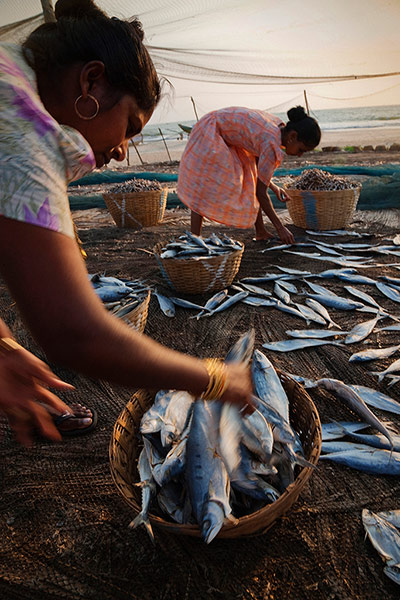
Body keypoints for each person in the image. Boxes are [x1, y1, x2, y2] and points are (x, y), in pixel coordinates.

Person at [0, 0, 253, 447]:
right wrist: (216, 377)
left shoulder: (9, 73)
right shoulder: (21, 133)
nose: (121, 150)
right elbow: (74, 333)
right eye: (130, 126)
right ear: (91, 81)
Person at [176, 105, 321, 242]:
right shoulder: (271, 143)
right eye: (301, 149)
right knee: (205, 184)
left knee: (249, 177)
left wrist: (274, 187)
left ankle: (261, 231)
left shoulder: (278, 128)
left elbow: (259, 175)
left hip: (227, 133)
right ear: (293, 136)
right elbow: (260, 193)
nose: (301, 155)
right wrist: (280, 228)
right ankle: (195, 238)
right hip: (211, 130)